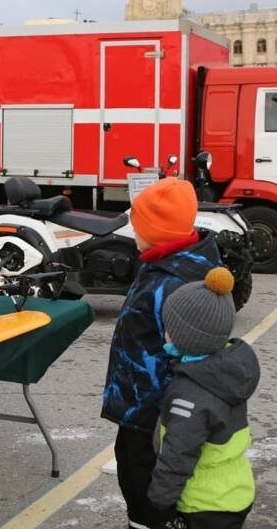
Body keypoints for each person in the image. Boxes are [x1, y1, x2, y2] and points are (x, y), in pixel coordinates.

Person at [102, 177, 224, 529]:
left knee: (144, 483)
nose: (133, 234)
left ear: (156, 233)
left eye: (138, 227)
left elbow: (189, 354)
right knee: (131, 463)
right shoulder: (167, 263)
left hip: (154, 410)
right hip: (142, 403)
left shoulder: (173, 281)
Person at [147, 267, 260, 529]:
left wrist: (160, 501)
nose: (165, 334)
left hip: (204, 504)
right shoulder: (226, 372)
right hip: (234, 492)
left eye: (170, 329)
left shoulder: (190, 394)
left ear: (189, 338)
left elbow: (179, 454)